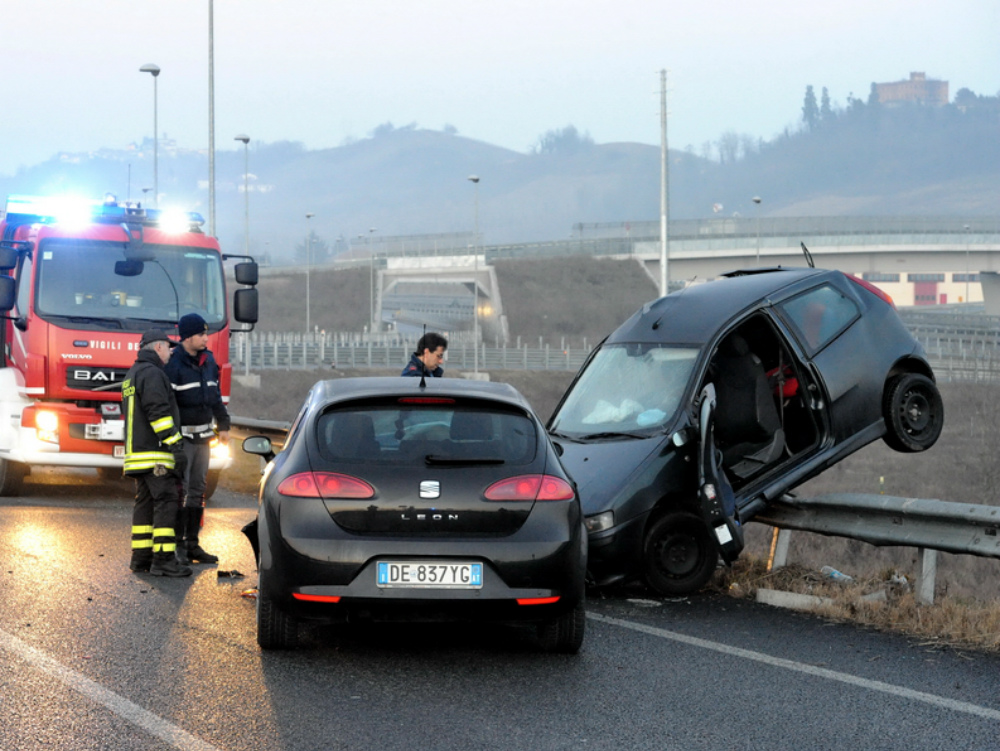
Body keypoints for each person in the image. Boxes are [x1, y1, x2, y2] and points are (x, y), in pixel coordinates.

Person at [122, 329, 191, 577]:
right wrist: (175, 445)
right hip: (155, 455)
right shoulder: (153, 374)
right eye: (168, 347)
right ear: (158, 347)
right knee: (167, 500)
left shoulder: (133, 374)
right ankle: (163, 559)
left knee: (145, 502)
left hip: (137, 455)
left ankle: (140, 558)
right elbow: (158, 413)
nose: (172, 352)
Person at [164, 313, 230, 565]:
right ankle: (177, 545)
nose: (206, 338)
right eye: (201, 334)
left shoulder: (208, 361)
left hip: (204, 439)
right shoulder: (173, 365)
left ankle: (193, 545)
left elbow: (215, 396)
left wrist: (223, 424)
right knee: (180, 492)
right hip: (182, 440)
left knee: (197, 491)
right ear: (188, 337)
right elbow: (167, 405)